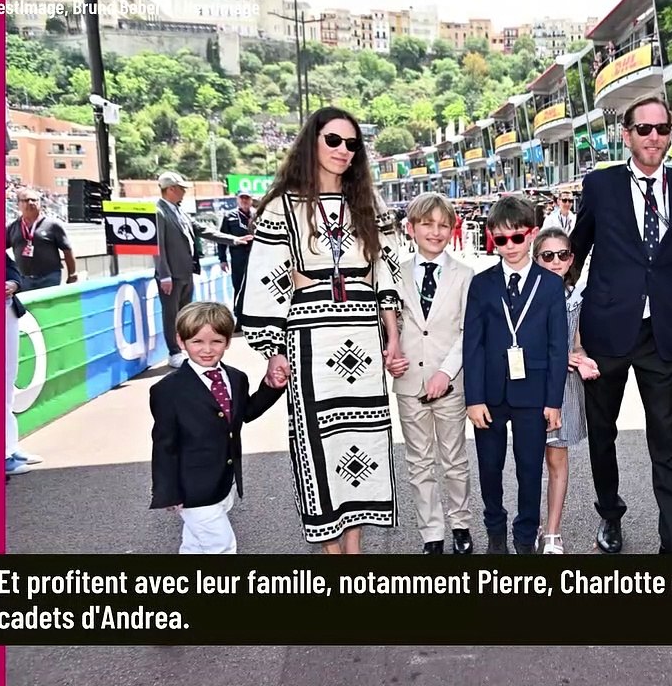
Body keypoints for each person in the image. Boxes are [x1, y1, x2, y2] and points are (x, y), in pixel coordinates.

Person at [237, 106, 405, 554]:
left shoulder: (369, 205)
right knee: (318, 445)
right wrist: (273, 350)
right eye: (333, 140)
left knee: (363, 443)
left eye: (352, 144)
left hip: (364, 338)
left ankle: (355, 550)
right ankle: (332, 554)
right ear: (312, 141)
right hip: (309, 342)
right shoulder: (281, 206)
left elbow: (386, 274)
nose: (343, 150)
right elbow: (267, 280)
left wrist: (393, 337)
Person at [569, 94, 672, 554]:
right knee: (603, 434)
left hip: (660, 331)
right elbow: (577, 249)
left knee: (665, 435)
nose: (654, 137)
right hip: (606, 329)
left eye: (662, 129)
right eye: (644, 129)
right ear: (626, 135)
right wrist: (553, 306)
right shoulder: (600, 185)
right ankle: (610, 514)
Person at [463, 195, 569, 555]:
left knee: (529, 469)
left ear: (532, 234)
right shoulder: (482, 284)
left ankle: (525, 536)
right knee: (489, 468)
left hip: (534, 393)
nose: (509, 246)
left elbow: (558, 348)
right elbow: (472, 345)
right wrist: (474, 398)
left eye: (517, 237)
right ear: (491, 238)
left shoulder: (550, 285)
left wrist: (553, 401)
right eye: (500, 239)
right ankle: (495, 532)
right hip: (490, 393)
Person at [149, 302, 286, 554]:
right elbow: (164, 444)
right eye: (197, 342)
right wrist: (167, 491)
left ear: (228, 341)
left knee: (195, 546)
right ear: (181, 341)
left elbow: (246, 413)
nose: (207, 349)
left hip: (225, 483)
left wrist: (271, 387)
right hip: (192, 489)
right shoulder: (167, 390)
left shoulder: (236, 377)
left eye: (216, 341)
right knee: (221, 546)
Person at [388, 193, 476, 555]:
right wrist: (389, 354)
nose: (435, 232)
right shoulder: (393, 273)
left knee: (454, 458)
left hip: (450, 383)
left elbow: (468, 331)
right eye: (427, 224)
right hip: (409, 382)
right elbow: (387, 325)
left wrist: (446, 372)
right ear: (411, 228)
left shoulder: (465, 275)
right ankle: (432, 533)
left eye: (443, 225)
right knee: (419, 462)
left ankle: (461, 524)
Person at [533, 227, 601, 555]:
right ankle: (530, 525)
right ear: (536, 259)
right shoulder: (525, 296)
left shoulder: (576, 299)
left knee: (557, 459)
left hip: (565, 389)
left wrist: (582, 359)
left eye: (562, 255)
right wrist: (561, 356)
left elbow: (578, 344)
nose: (556, 261)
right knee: (529, 462)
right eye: (548, 255)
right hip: (532, 387)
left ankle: (552, 532)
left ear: (572, 259)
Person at [155, 172, 252, 368]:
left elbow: (204, 230)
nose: (184, 192)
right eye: (181, 189)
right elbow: (158, 247)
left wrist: (234, 240)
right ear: (171, 189)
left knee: (183, 314)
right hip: (171, 274)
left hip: (186, 271)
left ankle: (182, 348)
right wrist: (164, 274)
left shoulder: (179, 211)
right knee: (171, 314)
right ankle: (174, 352)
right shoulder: (159, 212)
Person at [4, 254, 40, 480]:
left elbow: (11, 267)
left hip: (7, 311)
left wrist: (12, 284)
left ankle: (9, 445)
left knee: (7, 381)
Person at [6, 188, 78, 291]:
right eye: (26, 200)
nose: (30, 203)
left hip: (49, 278)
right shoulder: (12, 227)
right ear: (18, 204)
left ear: (40, 203)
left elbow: (67, 250)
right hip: (23, 279)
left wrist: (72, 274)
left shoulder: (53, 225)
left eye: (34, 200)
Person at [218, 190, 256, 300]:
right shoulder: (229, 216)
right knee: (239, 287)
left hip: (256, 258)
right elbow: (222, 239)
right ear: (237, 200)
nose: (244, 200)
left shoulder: (257, 216)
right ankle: (238, 309)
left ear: (251, 200)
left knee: (256, 287)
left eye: (247, 198)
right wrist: (222, 259)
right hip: (238, 259)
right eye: (242, 198)